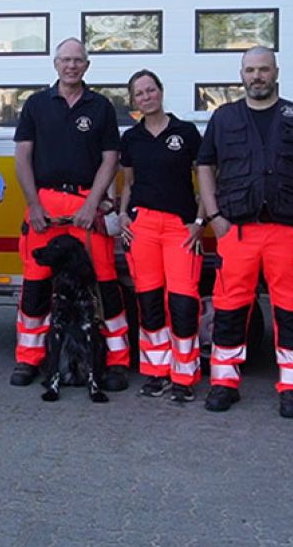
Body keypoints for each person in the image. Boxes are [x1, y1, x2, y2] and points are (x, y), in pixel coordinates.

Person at [196, 46, 293, 418]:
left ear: (276, 73)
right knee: (229, 309)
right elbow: (205, 166)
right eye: (250, 70)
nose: (257, 76)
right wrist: (214, 215)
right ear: (241, 75)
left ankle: (292, 387)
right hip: (237, 230)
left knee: (291, 309)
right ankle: (224, 383)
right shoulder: (223, 118)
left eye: (264, 70)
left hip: (288, 230)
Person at [11, 37, 131, 391]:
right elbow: (22, 157)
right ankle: (29, 359)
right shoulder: (35, 105)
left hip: (85, 205)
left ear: (87, 65)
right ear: (55, 64)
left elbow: (111, 159)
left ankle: (115, 361)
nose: (71, 66)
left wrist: (92, 204)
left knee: (105, 284)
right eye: (65, 60)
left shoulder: (102, 107)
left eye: (78, 60)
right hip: (45, 204)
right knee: (35, 284)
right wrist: (33, 205)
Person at [117, 70, 204, 402]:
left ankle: (184, 377)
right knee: (150, 302)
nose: (146, 97)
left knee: (182, 303)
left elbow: (206, 178)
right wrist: (124, 214)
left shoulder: (186, 132)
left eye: (150, 90)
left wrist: (200, 220)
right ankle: (156, 373)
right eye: (139, 93)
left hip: (180, 228)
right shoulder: (131, 138)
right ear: (133, 101)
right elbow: (129, 181)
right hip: (144, 228)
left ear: (161, 91)